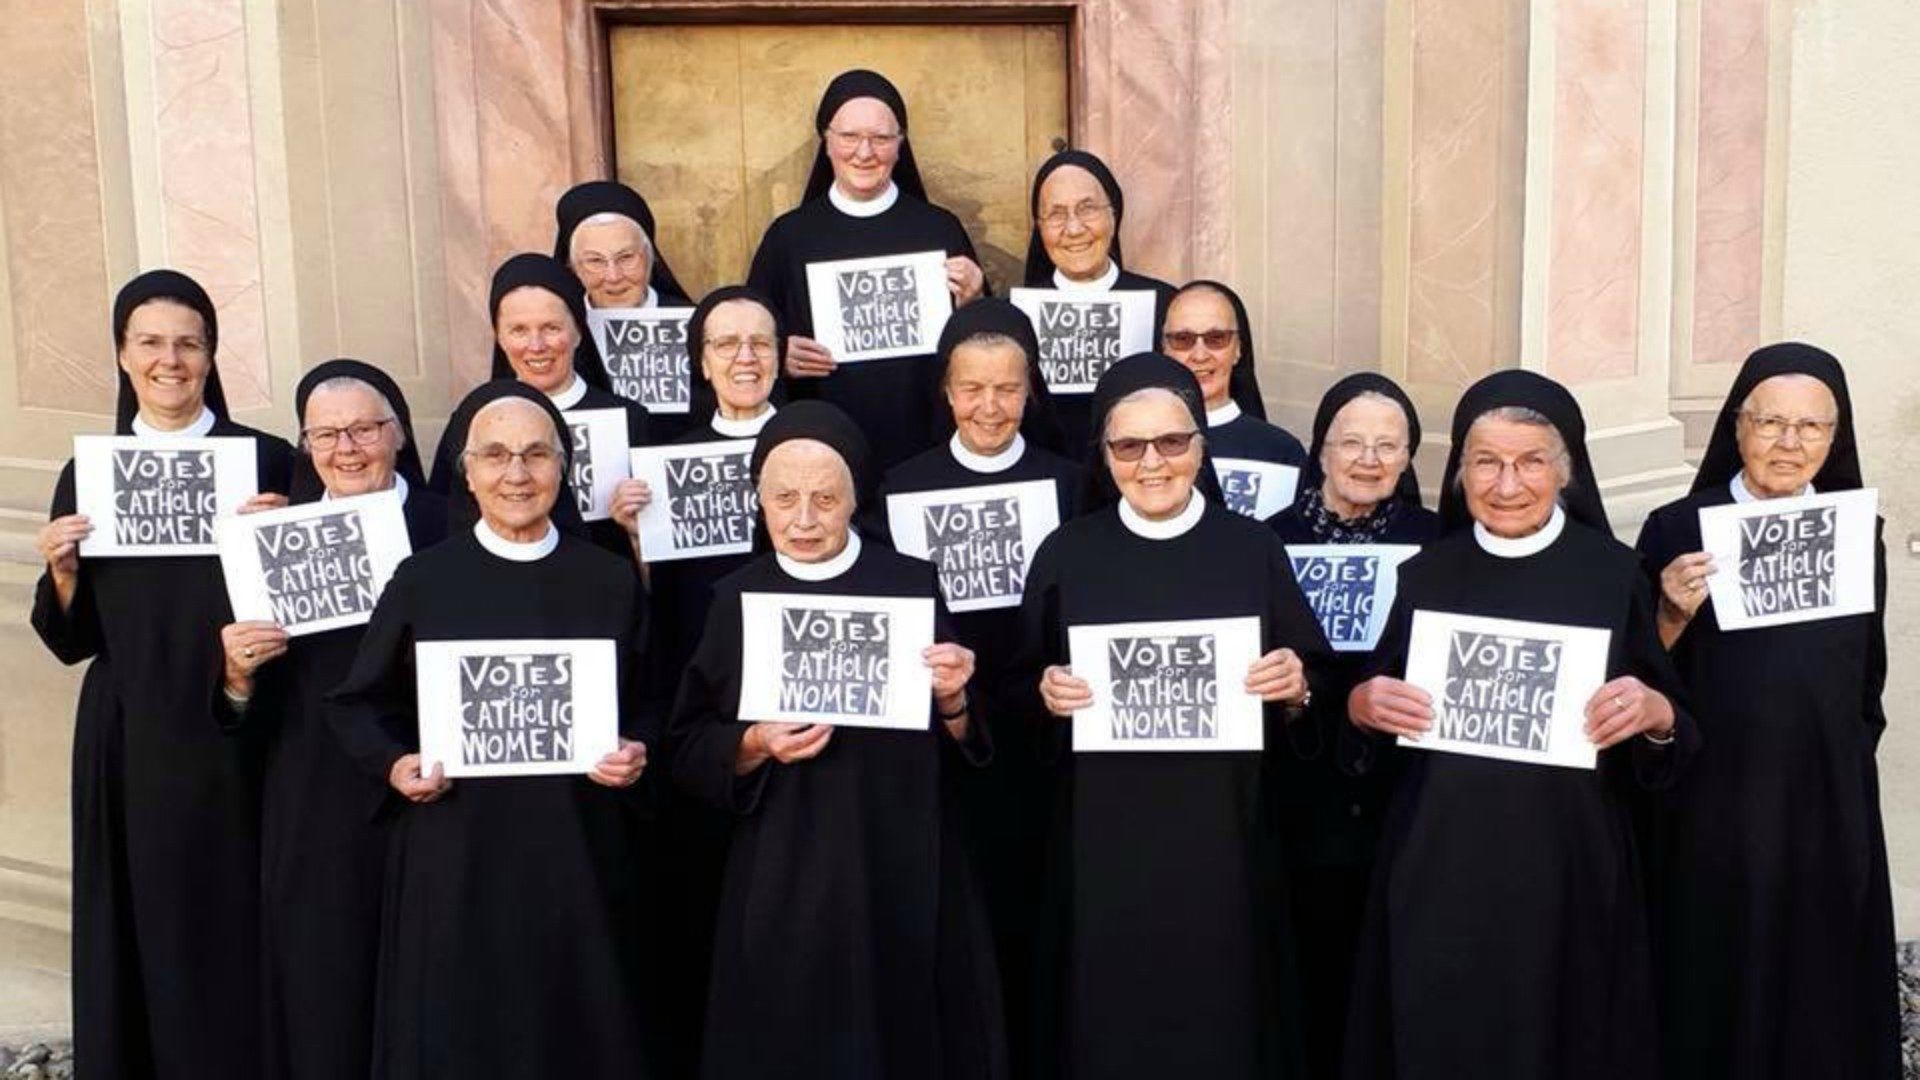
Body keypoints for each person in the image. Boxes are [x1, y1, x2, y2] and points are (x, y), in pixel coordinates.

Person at [1342, 369, 1697, 1080]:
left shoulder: (1613, 574)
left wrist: (1656, 718)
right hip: (1440, 866)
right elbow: (1371, 720)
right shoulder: (1426, 575)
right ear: (1459, 473)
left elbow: (1670, 729)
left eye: (1530, 461)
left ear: (1564, 471)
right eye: (1486, 463)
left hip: (1567, 868)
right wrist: (1361, 706)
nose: (1507, 484)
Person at [327, 381, 659, 1079]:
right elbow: (358, 705)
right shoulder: (422, 580)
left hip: (578, 856)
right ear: (468, 472)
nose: (517, 474)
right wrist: (394, 765)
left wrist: (637, 750)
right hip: (458, 856)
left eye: (537, 455)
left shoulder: (608, 580)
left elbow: (652, 703)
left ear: (562, 471)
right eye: (497, 456)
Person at [669, 401, 1006, 1079]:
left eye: (824, 498)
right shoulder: (735, 597)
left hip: (903, 856)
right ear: (759, 501)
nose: (802, 519)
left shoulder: (911, 584)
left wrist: (955, 699)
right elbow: (685, 742)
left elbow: (970, 742)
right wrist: (753, 743)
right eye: (784, 498)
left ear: (855, 495)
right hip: (785, 870)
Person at [1019, 353, 1329, 1079]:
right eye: (1128, 446)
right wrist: (1044, 695)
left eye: (1172, 442)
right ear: (1103, 454)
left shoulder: (1253, 549)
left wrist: (1298, 687)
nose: (1151, 462)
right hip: (1103, 843)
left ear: (1200, 446)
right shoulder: (1067, 553)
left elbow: (1313, 680)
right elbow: (1014, 688)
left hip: (1224, 835)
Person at [31, 269, 294, 1078]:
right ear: (122, 353)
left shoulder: (267, 461)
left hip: (242, 732)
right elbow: (73, 639)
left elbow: (318, 614)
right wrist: (65, 573)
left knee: (238, 922)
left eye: (187, 342)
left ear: (212, 354)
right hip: (130, 737)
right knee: (142, 928)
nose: (169, 359)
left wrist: (287, 539)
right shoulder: (90, 474)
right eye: (149, 342)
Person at [1635, 342, 1898, 1079]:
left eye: (1811, 428)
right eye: (1771, 424)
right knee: (1715, 955)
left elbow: (1865, 668)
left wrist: (1846, 755)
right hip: (1714, 794)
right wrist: (1669, 612)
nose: (1789, 444)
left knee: (1818, 958)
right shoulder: (1676, 528)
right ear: (1737, 428)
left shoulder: (1855, 531)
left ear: (1834, 437)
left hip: (1824, 791)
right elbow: (1638, 670)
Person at [214, 360, 447, 1080]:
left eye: (364, 429)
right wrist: (236, 674)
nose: (347, 448)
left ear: (399, 433)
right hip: (313, 800)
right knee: (325, 991)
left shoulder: (453, 525)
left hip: (430, 792)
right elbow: (239, 713)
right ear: (307, 446)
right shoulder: (273, 539)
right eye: (326, 434)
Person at [875, 298, 1080, 1064]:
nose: (989, 406)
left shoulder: (1071, 483)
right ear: (947, 393)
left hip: (1042, 735)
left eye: (1007, 389)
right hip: (940, 741)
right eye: (972, 388)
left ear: (1030, 393)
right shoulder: (898, 488)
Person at [1267, 373, 1439, 1080]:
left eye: (1387, 445)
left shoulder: (1438, 543)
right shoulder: (1268, 541)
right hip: (1292, 785)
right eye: (1352, 443)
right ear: (1321, 450)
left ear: (1408, 458)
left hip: (1401, 788)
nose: (1368, 459)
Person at [638, 285, 783, 1076]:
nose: (744, 358)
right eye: (725, 344)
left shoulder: (822, 452)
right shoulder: (667, 466)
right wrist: (635, 541)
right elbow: (651, 619)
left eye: (759, 341)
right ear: (700, 361)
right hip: (710, 725)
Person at [748, 69, 988, 473]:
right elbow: (750, 330)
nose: (864, 152)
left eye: (880, 139)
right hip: (825, 445)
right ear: (826, 142)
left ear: (900, 146)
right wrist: (777, 354)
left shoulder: (938, 228)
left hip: (925, 436)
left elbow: (982, 342)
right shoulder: (789, 237)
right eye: (849, 137)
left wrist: (974, 301)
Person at [426, 252, 653, 565]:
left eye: (551, 328)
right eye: (519, 330)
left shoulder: (633, 420)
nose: (536, 346)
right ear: (499, 337)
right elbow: (445, 529)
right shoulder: (470, 422)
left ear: (578, 332)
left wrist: (637, 527)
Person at [1020, 149, 1176, 449]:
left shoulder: (1166, 304)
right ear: (1039, 228)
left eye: (1088, 208)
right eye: (1056, 214)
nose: (1074, 228)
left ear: (1114, 215)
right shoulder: (1017, 315)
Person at [556, 179, 700, 442]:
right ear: (572, 267)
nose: (613, 276)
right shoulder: (557, 334)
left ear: (650, 256)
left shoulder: (697, 325)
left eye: (626, 258)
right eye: (595, 261)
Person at [1161, 281, 1303, 517]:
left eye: (1216, 338)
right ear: (1164, 348)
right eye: (1183, 339)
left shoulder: (1280, 451)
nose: (1199, 355)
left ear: (1238, 349)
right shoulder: (1136, 443)